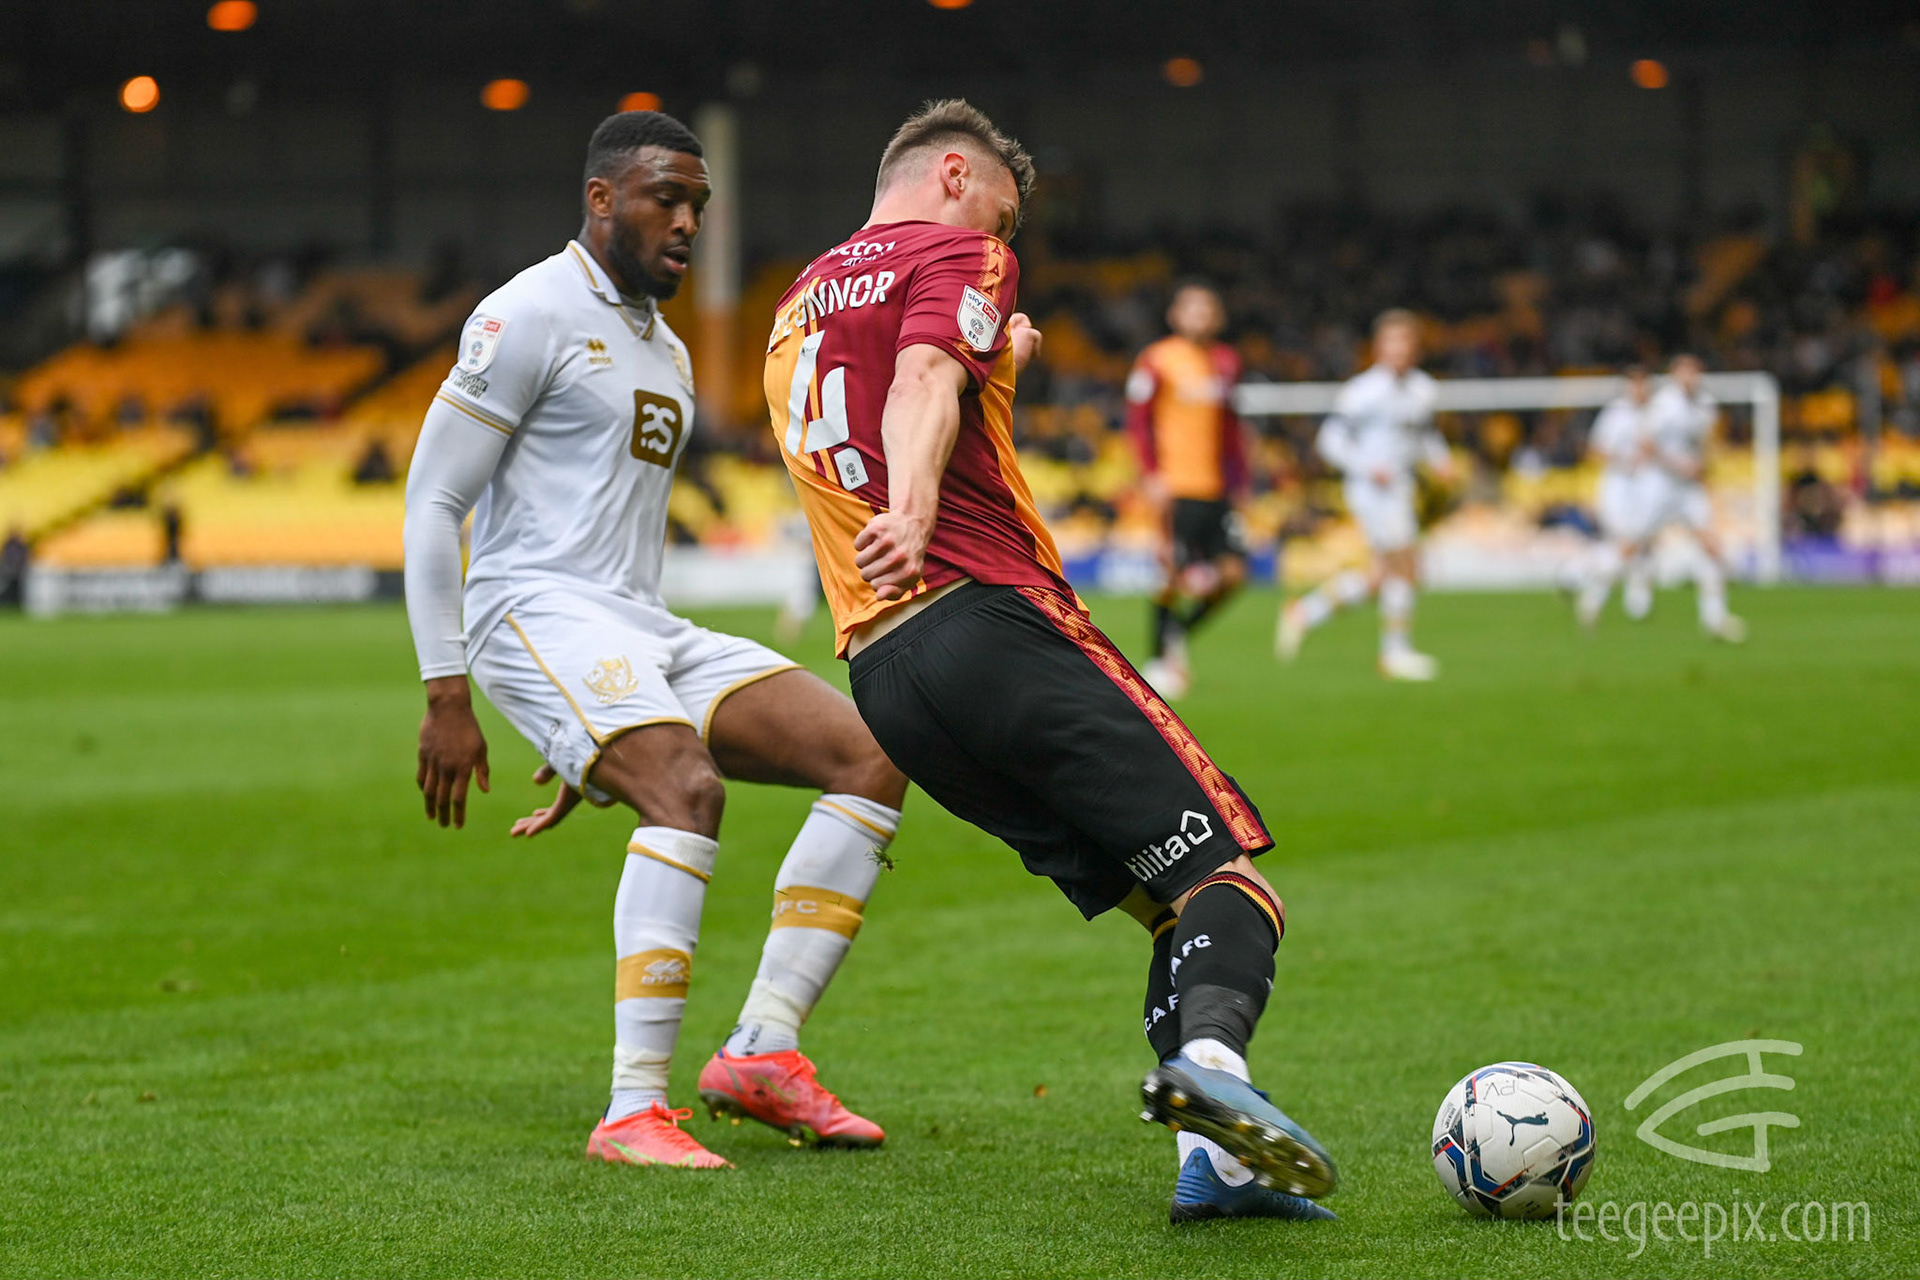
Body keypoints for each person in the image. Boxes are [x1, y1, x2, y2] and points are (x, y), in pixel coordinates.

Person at [762, 99, 1335, 1224]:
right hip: (988, 619)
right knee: (1230, 883)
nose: (1006, 241)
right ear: (955, 173)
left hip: (888, 680)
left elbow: (899, 389)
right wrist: (916, 506)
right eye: (1005, 213)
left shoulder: (794, 305)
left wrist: (993, 367)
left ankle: (1217, 1168)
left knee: (1168, 909)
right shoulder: (959, 251)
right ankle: (1214, 1072)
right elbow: (920, 380)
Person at [404, 110, 908, 1172]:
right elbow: (433, 499)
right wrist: (449, 691)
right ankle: (633, 1110)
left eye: (698, 205)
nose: (687, 223)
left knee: (871, 750)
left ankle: (762, 1050)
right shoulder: (528, 311)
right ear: (601, 199)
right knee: (687, 788)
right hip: (530, 608)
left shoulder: (667, 349)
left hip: (634, 622)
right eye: (665, 199)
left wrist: (594, 716)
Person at [1276, 310, 1456, 680]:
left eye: (1406, 342)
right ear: (1378, 347)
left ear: (1417, 348)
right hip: (1371, 490)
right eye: (1392, 342)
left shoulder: (1423, 389)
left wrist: (1441, 461)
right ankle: (1394, 653)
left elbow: (1424, 435)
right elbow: (1330, 441)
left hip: (1402, 487)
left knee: (1379, 577)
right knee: (1405, 563)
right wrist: (1366, 466)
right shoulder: (1362, 392)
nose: (1399, 349)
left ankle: (1304, 613)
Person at [1126, 279, 1251, 700]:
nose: (1201, 316)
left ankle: (1175, 634)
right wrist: (1150, 474)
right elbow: (1138, 421)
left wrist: (1240, 482)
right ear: (1175, 315)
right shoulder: (1157, 359)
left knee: (1234, 575)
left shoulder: (1227, 362)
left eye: (1208, 309)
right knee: (1169, 574)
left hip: (1216, 487)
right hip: (1174, 485)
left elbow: (1231, 429)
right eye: (1192, 308)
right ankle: (1158, 659)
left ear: (1219, 317)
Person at [1635, 354, 1747, 641]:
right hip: (1660, 484)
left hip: (1689, 488)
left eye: (1694, 371)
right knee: (1637, 541)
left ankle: (1714, 617)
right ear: (1674, 374)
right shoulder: (1663, 404)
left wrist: (1704, 469)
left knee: (1709, 543)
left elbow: (1708, 444)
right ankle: (1634, 587)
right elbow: (1646, 443)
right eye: (1685, 371)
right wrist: (1677, 464)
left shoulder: (1706, 404)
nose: (1690, 377)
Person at [1573, 365, 1657, 627]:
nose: (1640, 390)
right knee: (1626, 542)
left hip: (1646, 487)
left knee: (1638, 542)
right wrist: (1623, 460)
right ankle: (1593, 587)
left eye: (1643, 384)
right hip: (1618, 488)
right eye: (1635, 384)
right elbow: (1594, 449)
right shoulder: (1615, 413)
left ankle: (1599, 593)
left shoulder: (1656, 412)